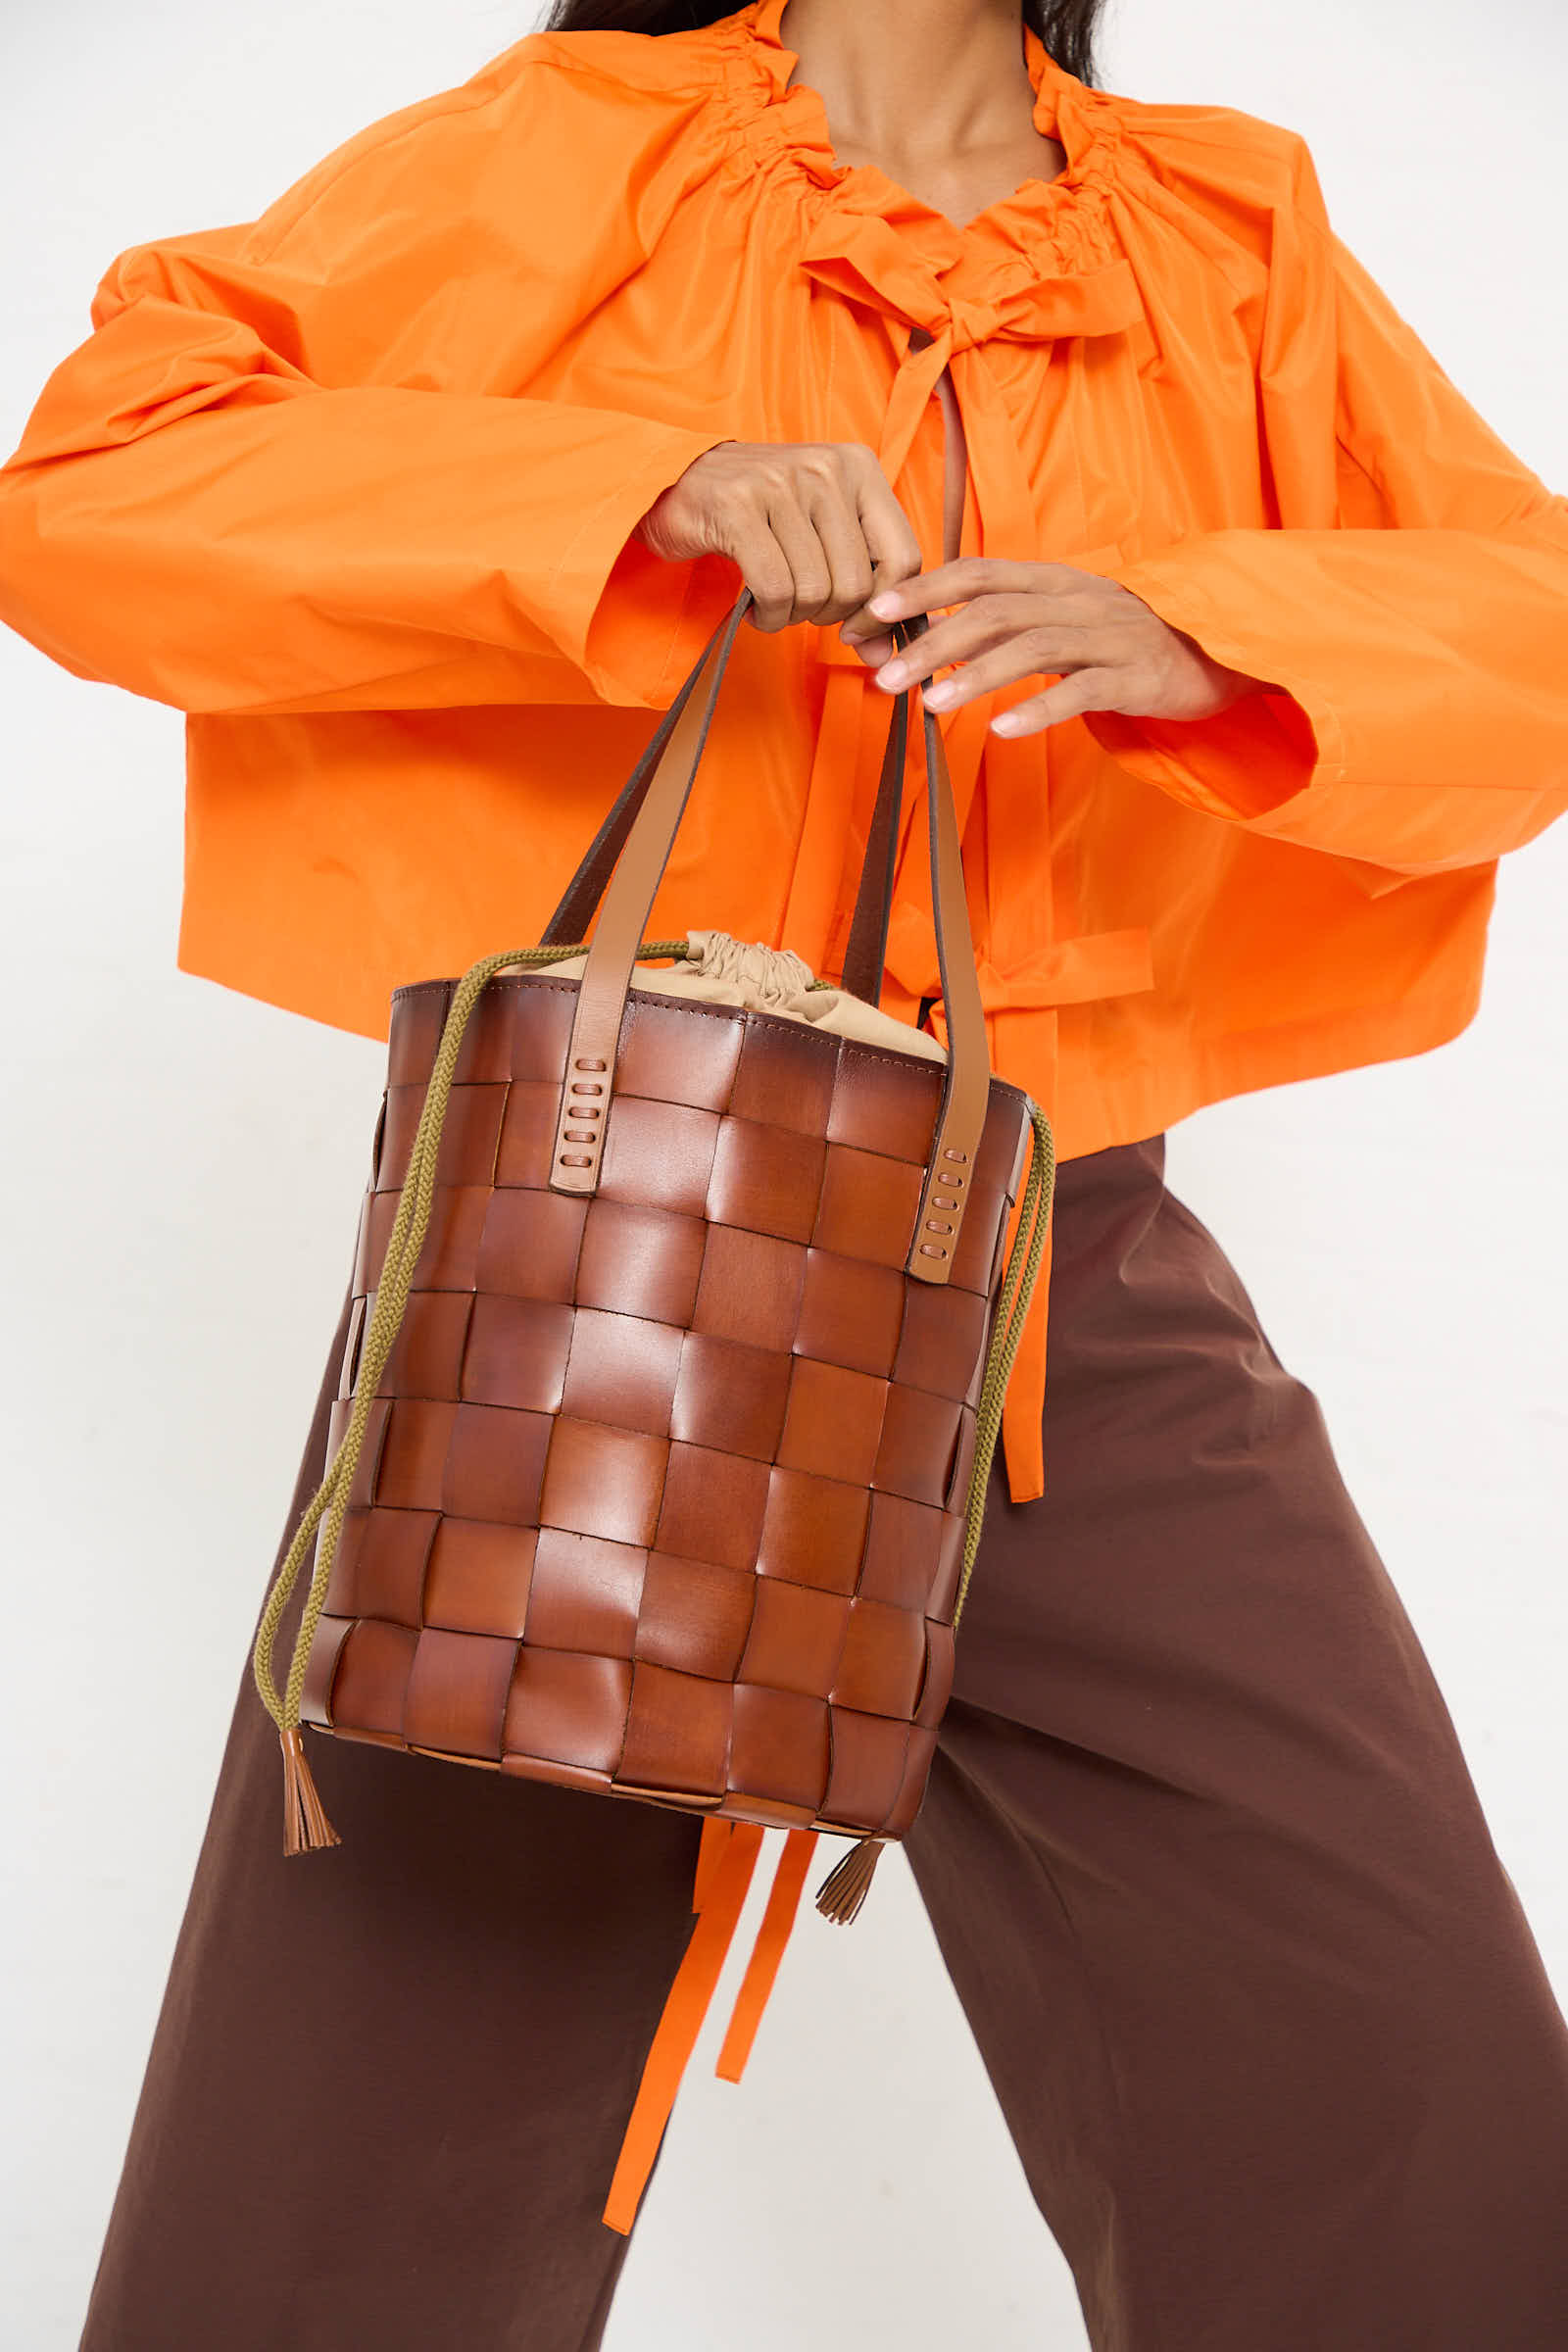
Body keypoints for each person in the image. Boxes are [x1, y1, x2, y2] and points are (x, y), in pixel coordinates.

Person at [2, 1, 1566, 2344]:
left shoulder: (1224, 228)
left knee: (1400, 2080)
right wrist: (626, 499)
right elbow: (99, 478)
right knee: (354, 2153)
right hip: (572, 1275)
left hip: (1064, 1292)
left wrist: (1209, 636)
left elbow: (1521, 618)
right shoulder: (565, 151)